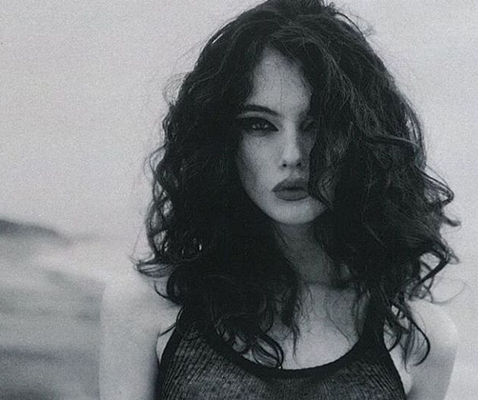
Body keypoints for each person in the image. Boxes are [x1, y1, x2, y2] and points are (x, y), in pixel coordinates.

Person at [100, 0, 459, 399]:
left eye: (317, 124)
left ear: (360, 139)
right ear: (220, 140)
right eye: (259, 125)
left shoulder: (419, 340)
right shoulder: (145, 309)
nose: (292, 155)